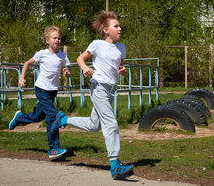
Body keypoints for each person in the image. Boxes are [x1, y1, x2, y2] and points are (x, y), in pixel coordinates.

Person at [51, 11, 134, 178]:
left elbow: (120, 67)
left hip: (111, 90)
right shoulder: (97, 44)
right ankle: (115, 163)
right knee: (110, 123)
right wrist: (85, 68)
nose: (120, 28)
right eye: (116, 26)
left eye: (119, 25)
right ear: (105, 29)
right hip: (98, 88)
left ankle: (63, 119)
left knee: (94, 125)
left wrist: (123, 71)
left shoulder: (121, 48)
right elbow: (80, 58)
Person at [9, 26, 71, 159]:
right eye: (54, 38)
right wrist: (22, 77)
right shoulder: (42, 53)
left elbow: (66, 70)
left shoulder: (62, 56)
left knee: (38, 116)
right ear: (48, 40)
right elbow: (27, 63)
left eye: (59, 38)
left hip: (53, 90)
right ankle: (54, 148)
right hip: (41, 89)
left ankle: (19, 118)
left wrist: (66, 73)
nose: (57, 40)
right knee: (53, 117)